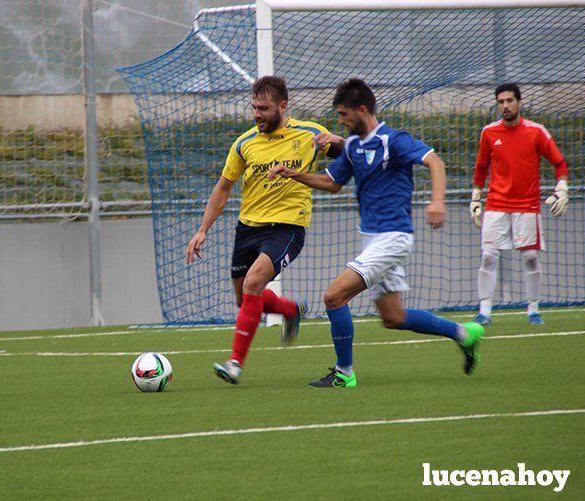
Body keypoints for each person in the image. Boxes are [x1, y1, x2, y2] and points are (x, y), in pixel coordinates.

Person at [268, 78, 484, 388]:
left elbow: (435, 162)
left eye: (344, 115)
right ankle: (465, 334)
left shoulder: (393, 140)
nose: (340, 121)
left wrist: (437, 202)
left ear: (362, 110)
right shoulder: (354, 146)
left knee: (333, 296)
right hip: (371, 238)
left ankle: (344, 373)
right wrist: (293, 174)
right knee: (393, 317)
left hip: (393, 237)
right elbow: (332, 183)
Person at [186, 75, 344, 385]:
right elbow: (223, 188)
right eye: (254, 107)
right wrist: (202, 230)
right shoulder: (244, 144)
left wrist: (340, 142)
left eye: (264, 108)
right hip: (248, 228)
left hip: (287, 228)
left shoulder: (310, 134)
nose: (257, 114)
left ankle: (235, 364)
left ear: (283, 106)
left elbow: (349, 152)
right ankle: (290, 309)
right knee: (245, 300)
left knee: (254, 282)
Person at [470, 83, 569, 326]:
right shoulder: (489, 132)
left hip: (527, 207)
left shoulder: (536, 131)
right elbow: (481, 168)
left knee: (531, 259)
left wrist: (562, 188)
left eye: (509, 101)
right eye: (501, 102)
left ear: (519, 102)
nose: (505, 106)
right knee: (489, 258)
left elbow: (560, 163)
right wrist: (475, 198)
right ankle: (484, 312)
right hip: (496, 205)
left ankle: (533, 310)